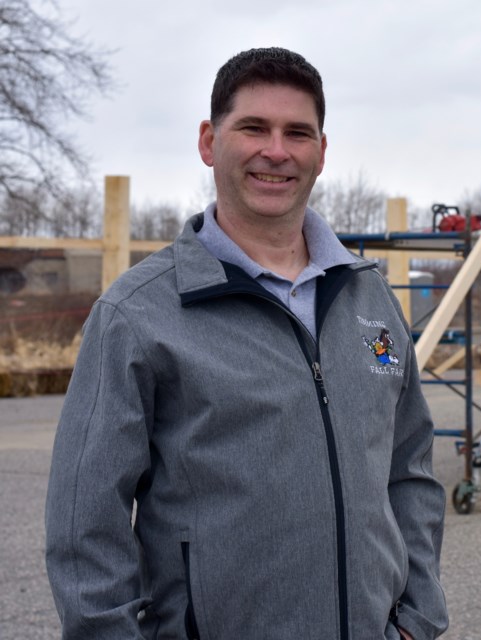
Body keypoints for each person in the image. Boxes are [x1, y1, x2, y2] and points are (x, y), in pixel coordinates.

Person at [45, 47, 447, 640]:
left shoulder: (370, 299)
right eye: (253, 128)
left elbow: (409, 469)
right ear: (209, 142)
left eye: (297, 133)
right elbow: (86, 519)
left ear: (322, 151)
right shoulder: (138, 315)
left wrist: (417, 618)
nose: (276, 151)